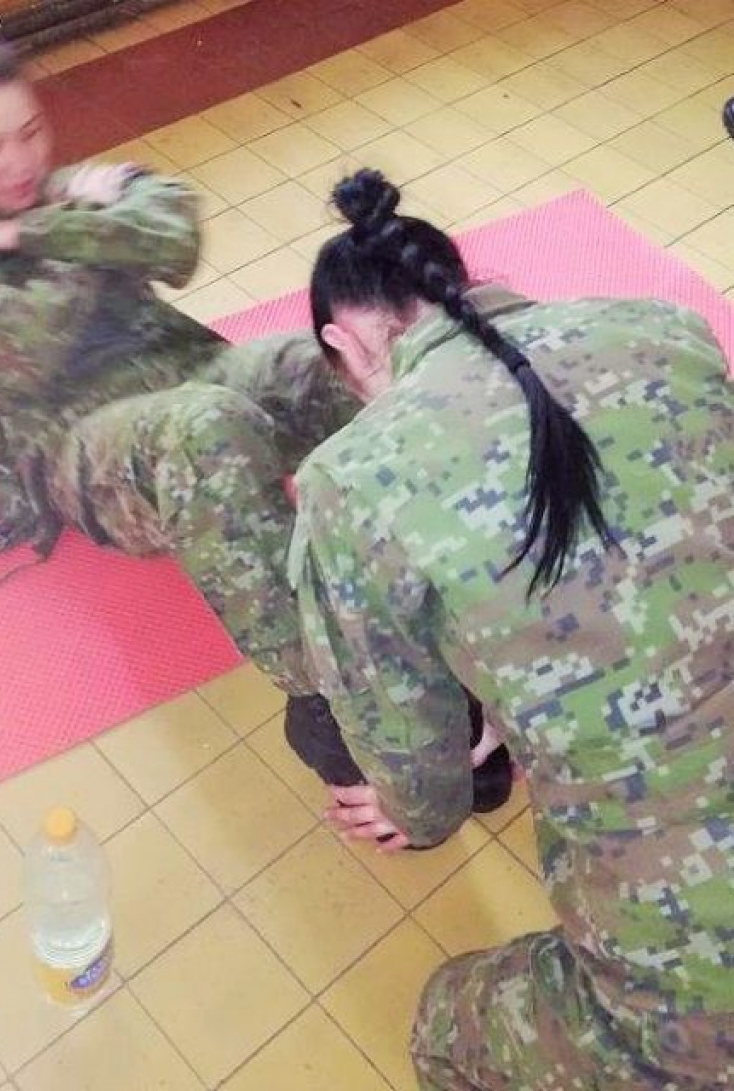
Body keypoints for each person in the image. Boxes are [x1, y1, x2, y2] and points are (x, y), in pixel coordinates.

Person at [0, 32, 510, 814]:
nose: (19, 163)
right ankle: (329, 700)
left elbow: (179, 236)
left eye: (30, 133)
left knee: (320, 358)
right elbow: (41, 337)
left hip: (192, 370)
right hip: (83, 445)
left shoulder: (49, 201)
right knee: (205, 428)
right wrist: (92, 215)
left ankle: (469, 564)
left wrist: (30, 230)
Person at [290, 170, 732, 1087]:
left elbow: (423, 783)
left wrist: (417, 809)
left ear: (344, 343)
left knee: (447, 1022)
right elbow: (654, 559)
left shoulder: (351, 478)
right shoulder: (664, 328)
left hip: (698, 976)